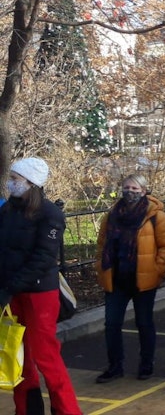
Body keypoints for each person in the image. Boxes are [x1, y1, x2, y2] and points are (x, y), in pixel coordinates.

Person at [0, 158, 82, 414]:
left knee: (45, 355)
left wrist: (10, 286)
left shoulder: (50, 214)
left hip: (38, 294)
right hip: (13, 294)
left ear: (31, 183)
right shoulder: (8, 211)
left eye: (16, 179)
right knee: (18, 356)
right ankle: (26, 408)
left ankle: (66, 409)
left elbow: (44, 258)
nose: (11, 183)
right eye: (11, 178)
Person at [95, 174, 165, 382]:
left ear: (144, 190)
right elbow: (101, 243)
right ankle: (115, 366)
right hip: (116, 278)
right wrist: (100, 267)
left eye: (134, 188)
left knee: (144, 323)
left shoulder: (156, 216)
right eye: (126, 187)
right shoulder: (112, 214)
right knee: (111, 324)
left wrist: (157, 270)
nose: (130, 191)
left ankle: (146, 364)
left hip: (144, 280)